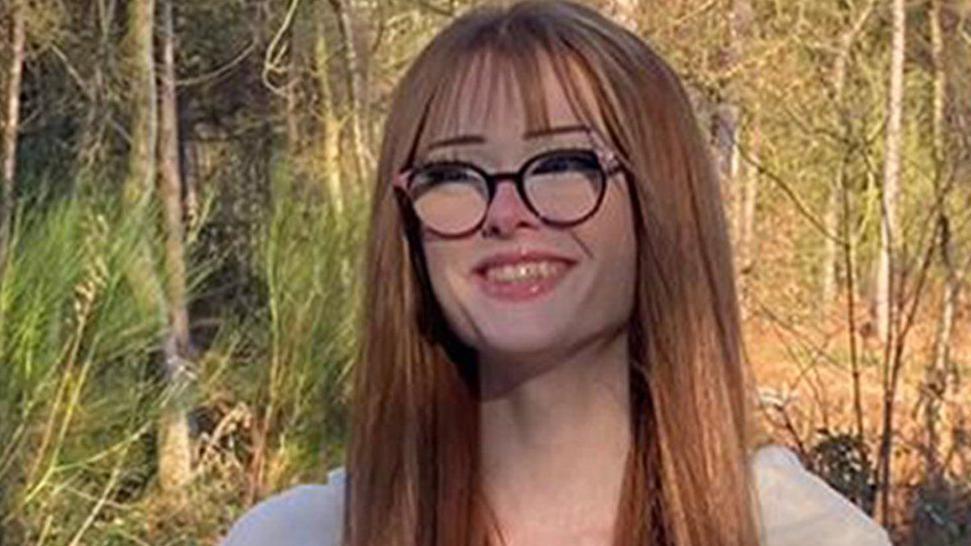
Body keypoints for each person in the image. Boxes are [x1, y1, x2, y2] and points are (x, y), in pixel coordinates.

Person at [221, 1, 892, 545]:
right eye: (452, 174)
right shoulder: (295, 537)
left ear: (660, 203)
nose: (505, 213)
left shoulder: (803, 535)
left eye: (562, 164)